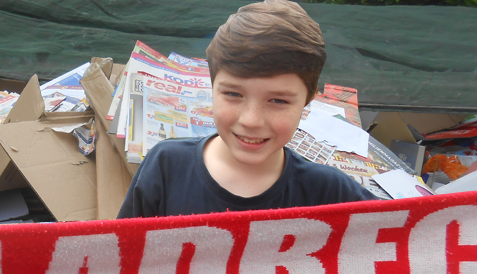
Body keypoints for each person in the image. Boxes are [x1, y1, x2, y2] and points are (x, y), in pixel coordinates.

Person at [118, 0, 376, 219]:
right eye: (233, 94)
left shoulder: (330, 192)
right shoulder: (166, 167)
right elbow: (120, 259)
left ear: (308, 99)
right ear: (211, 86)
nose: (251, 120)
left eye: (278, 101)